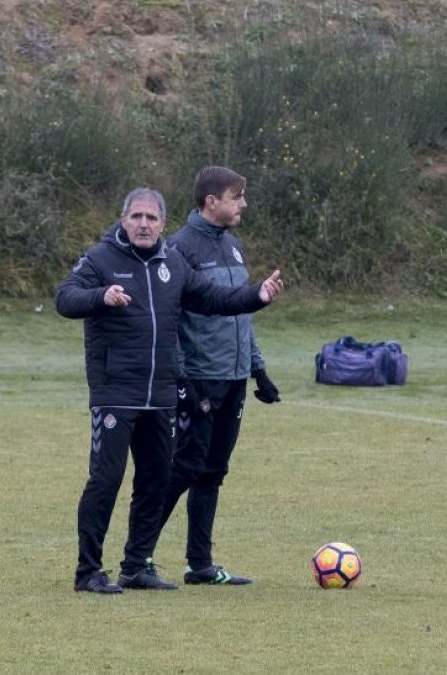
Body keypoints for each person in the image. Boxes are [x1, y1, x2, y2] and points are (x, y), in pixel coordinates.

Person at [55, 187, 283, 594]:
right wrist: (100, 296)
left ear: (162, 224)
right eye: (136, 217)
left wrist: (255, 297)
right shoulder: (100, 259)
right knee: (106, 480)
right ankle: (88, 571)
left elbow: (210, 297)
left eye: (152, 218)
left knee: (156, 480)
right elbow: (65, 299)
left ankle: (136, 565)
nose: (144, 224)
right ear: (123, 220)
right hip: (116, 393)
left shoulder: (171, 261)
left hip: (161, 394)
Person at [158, 166, 280, 586]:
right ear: (213, 202)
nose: (243, 203)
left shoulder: (233, 246)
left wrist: (258, 369)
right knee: (184, 468)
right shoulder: (178, 250)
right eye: (237, 195)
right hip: (199, 378)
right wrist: (182, 379)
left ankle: (200, 565)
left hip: (235, 377)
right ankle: (138, 557)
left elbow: (241, 311)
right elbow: (169, 321)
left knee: (213, 472)